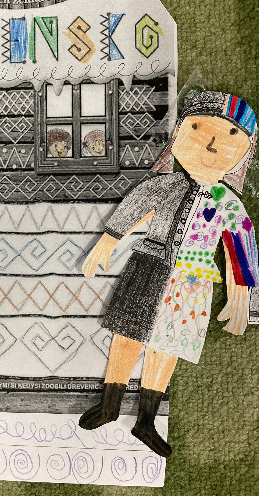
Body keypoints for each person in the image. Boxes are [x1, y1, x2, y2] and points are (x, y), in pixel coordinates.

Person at [79, 91, 258, 458]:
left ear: (245, 152)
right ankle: (110, 406)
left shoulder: (228, 204)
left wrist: (241, 292)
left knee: (168, 346)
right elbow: (137, 205)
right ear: (178, 134)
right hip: (148, 266)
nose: (211, 143)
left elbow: (240, 243)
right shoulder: (166, 185)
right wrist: (108, 239)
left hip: (192, 282)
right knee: (127, 335)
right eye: (197, 128)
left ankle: (146, 420)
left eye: (229, 136)